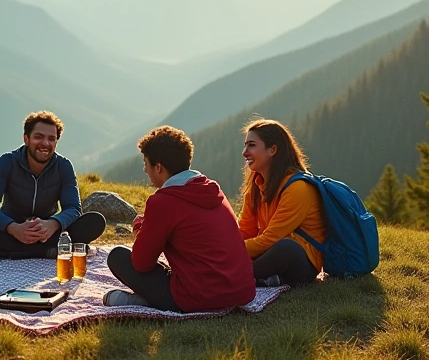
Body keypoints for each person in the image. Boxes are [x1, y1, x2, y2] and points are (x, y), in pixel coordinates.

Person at [103, 127, 255, 311]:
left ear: (158, 167)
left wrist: (144, 232)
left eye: (146, 163)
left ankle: (145, 302)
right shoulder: (212, 189)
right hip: (242, 292)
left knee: (118, 257)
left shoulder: (162, 202)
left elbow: (141, 264)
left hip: (200, 299)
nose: (145, 169)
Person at [0, 111, 105, 259]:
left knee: (95, 221)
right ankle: (44, 252)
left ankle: (10, 252)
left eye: (52, 139)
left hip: (47, 233)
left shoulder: (64, 166)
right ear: (26, 139)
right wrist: (13, 228)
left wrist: (53, 224)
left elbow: (73, 208)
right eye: (38, 137)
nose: (45, 143)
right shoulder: (8, 161)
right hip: (11, 231)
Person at [238, 118, 327, 286]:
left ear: (272, 150)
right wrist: (226, 246)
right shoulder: (256, 185)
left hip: (301, 262)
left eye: (252, 145)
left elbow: (270, 239)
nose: (244, 152)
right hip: (268, 250)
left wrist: (230, 252)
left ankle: (234, 275)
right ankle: (264, 277)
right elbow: (245, 230)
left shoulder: (298, 188)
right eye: (245, 145)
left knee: (285, 248)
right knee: (250, 247)